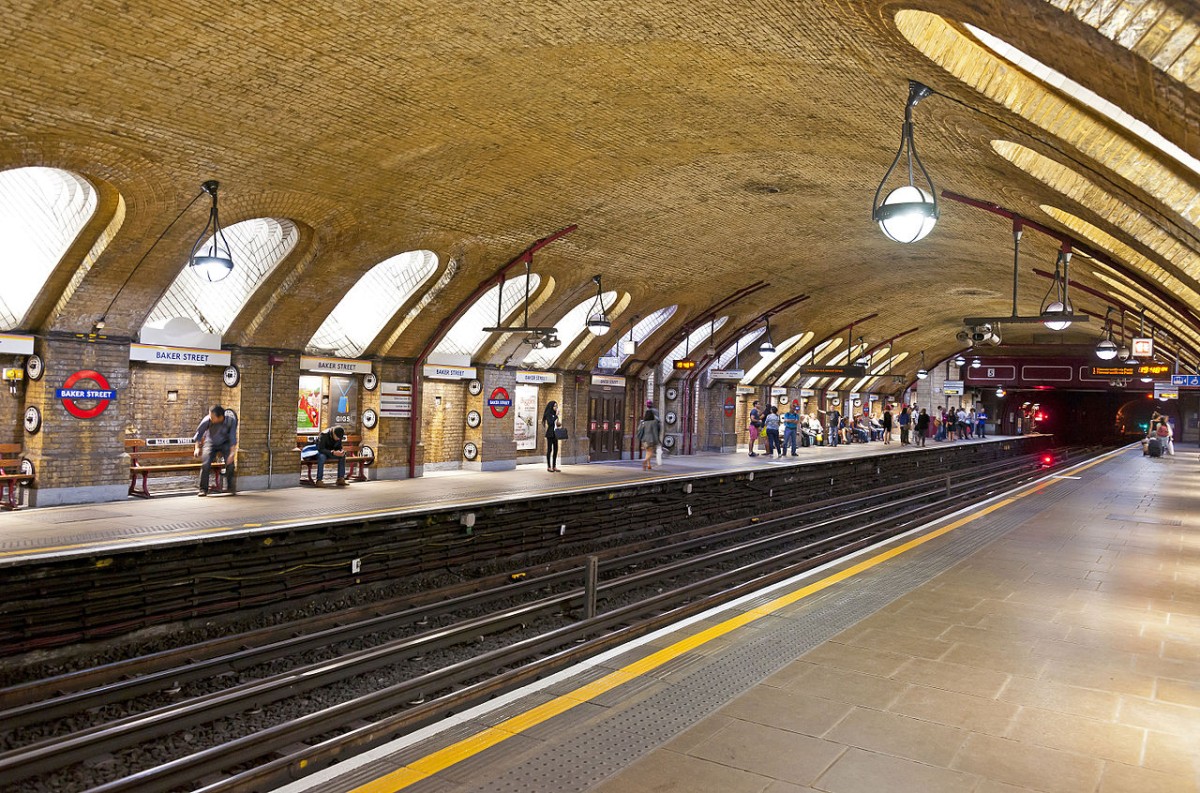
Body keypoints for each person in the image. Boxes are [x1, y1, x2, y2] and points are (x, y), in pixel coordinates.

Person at [192, 404, 237, 496]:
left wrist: (232, 454)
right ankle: (203, 489)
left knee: (230, 465)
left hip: (225, 443)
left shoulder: (230, 421)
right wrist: (197, 448)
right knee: (206, 464)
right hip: (210, 442)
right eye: (210, 415)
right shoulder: (207, 420)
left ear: (220, 417)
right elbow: (199, 434)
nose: (210, 418)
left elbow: (232, 437)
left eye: (213, 417)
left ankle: (230, 488)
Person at [636, 399, 662, 470]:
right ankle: (644, 462)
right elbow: (655, 432)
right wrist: (658, 441)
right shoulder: (654, 422)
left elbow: (639, 430)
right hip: (651, 439)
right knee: (650, 452)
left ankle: (648, 465)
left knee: (647, 451)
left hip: (644, 439)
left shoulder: (643, 422)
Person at [543, 400, 562, 472]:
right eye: (554, 406)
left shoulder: (555, 414)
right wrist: (556, 416)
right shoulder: (548, 414)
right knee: (549, 450)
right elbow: (550, 423)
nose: (556, 407)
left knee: (556, 450)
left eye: (556, 406)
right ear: (551, 406)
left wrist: (558, 422)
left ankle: (554, 466)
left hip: (555, 434)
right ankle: (549, 466)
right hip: (550, 434)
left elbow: (556, 424)